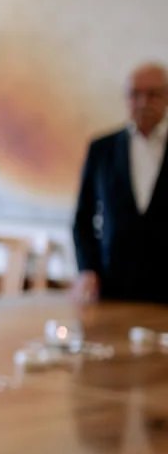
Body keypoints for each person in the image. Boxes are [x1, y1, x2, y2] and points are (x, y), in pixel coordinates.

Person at [74, 62, 168, 305]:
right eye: (135, 94)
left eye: (153, 94)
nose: (143, 102)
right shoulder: (102, 149)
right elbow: (83, 218)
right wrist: (88, 270)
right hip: (113, 286)